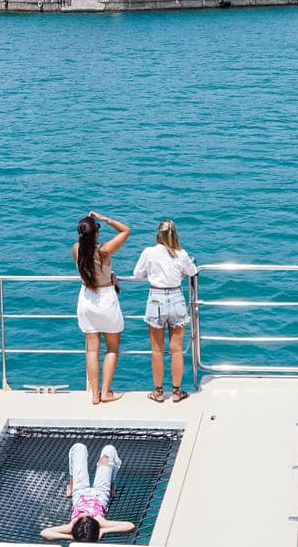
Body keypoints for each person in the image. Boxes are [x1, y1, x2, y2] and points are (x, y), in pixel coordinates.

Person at [132, 219, 198, 403]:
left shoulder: (149, 252)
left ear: (158, 235)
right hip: (176, 298)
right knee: (176, 350)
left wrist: (151, 274)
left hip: (156, 298)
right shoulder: (181, 253)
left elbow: (137, 274)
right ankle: (177, 392)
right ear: (175, 235)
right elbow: (192, 272)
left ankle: (158, 392)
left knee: (157, 350)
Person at [73, 209, 130, 404]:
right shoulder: (104, 251)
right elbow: (125, 231)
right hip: (105, 300)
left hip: (86, 299)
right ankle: (106, 392)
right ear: (96, 232)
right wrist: (104, 219)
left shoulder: (76, 249)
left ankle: (94, 394)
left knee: (91, 350)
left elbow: (90, 269)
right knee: (112, 349)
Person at [39, 442, 135, 543]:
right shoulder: (100, 522)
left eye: (82, 518)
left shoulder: (71, 526)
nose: (84, 514)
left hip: (79, 492)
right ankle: (111, 486)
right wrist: (104, 530)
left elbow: (45, 532)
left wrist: (71, 537)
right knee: (109, 451)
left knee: (79, 447)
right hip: (100, 493)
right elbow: (130, 525)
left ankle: (71, 486)